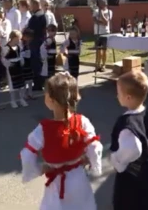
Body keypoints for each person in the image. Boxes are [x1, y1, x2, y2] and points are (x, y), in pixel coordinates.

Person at [20, 72, 102, 210]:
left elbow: (27, 154)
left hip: (56, 183)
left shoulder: (43, 129)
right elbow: (95, 146)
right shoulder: (82, 121)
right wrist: (92, 162)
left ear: (51, 100)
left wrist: (39, 169)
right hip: (78, 179)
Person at [110, 71, 148, 210]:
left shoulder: (127, 124)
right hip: (144, 170)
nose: (117, 95)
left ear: (128, 97)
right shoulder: (147, 114)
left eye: (118, 92)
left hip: (130, 176)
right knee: (143, 202)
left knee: (128, 203)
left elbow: (134, 148)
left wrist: (118, 162)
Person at [3, 30, 28, 108]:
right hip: (11, 68)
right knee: (12, 85)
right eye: (18, 39)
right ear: (13, 38)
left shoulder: (18, 47)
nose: (19, 40)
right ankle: (12, 101)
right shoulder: (6, 48)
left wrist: (21, 60)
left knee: (21, 84)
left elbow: (20, 56)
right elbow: (3, 58)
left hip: (18, 66)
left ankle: (21, 99)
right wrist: (8, 64)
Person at [27, 0, 47, 91]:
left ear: (35, 5)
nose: (30, 7)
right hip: (36, 41)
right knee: (36, 62)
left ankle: (38, 83)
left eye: (30, 5)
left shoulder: (38, 16)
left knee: (37, 63)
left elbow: (33, 30)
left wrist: (26, 33)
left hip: (36, 42)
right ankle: (38, 83)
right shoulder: (37, 15)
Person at [93, 0, 112, 72]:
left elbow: (106, 22)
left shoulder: (109, 12)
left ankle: (103, 65)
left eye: (101, 3)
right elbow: (94, 20)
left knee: (104, 50)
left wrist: (101, 14)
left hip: (105, 32)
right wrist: (101, 22)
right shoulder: (96, 11)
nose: (100, 5)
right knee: (98, 50)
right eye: (99, 3)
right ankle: (97, 65)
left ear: (105, 4)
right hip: (97, 33)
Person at [21, 29, 35, 99]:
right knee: (25, 80)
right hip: (24, 64)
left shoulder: (30, 44)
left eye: (30, 37)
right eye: (27, 37)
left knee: (30, 79)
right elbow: (21, 53)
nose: (29, 39)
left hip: (29, 63)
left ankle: (30, 93)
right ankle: (24, 94)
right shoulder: (21, 44)